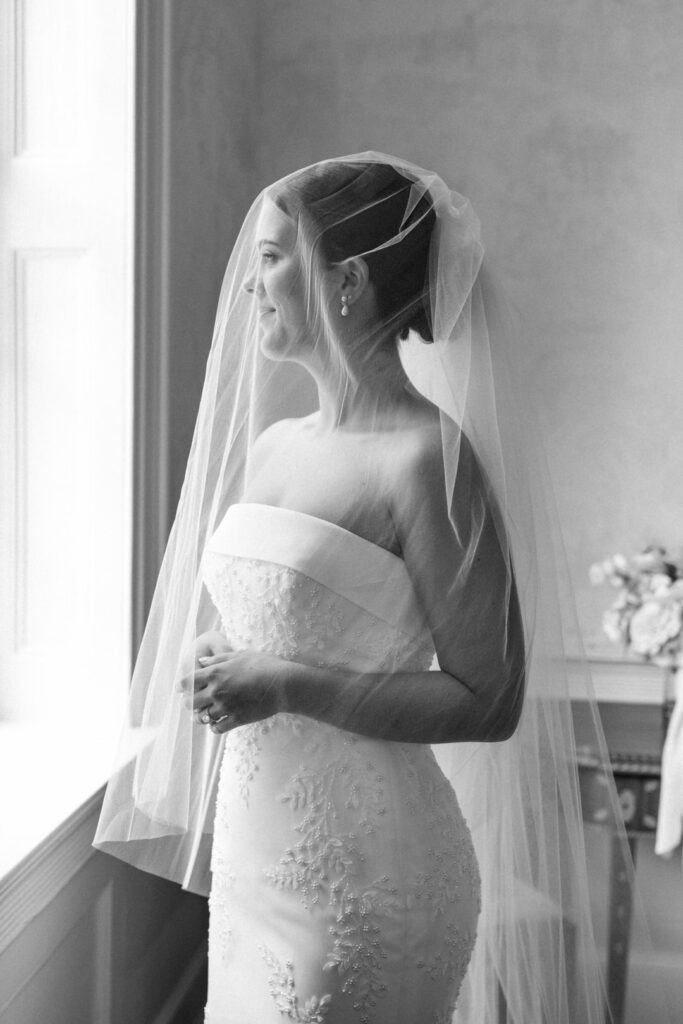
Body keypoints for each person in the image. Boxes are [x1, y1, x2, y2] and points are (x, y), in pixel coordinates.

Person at [94, 154, 663, 1023]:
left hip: (365, 875)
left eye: (274, 256)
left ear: (347, 279)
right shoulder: (277, 443)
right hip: (255, 858)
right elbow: (264, 614)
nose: (253, 282)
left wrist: (285, 684)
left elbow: (490, 697)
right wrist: (219, 652)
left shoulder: (428, 460)